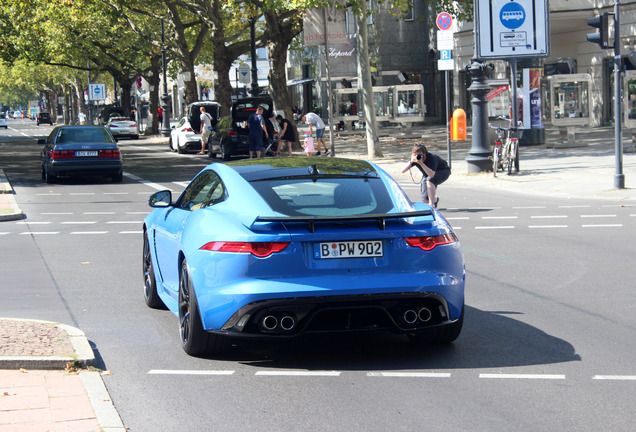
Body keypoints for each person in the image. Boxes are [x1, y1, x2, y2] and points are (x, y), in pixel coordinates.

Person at [401, 144, 451, 209]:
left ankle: (431, 205)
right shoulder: (415, 159)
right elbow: (402, 170)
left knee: (430, 179)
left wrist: (421, 163)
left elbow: (431, 174)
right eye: (415, 154)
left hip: (443, 171)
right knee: (424, 200)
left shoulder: (432, 157)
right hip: (427, 174)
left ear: (424, 154)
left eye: (419, 154)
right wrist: (411, 161)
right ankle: (435, 199)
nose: (417, 156)